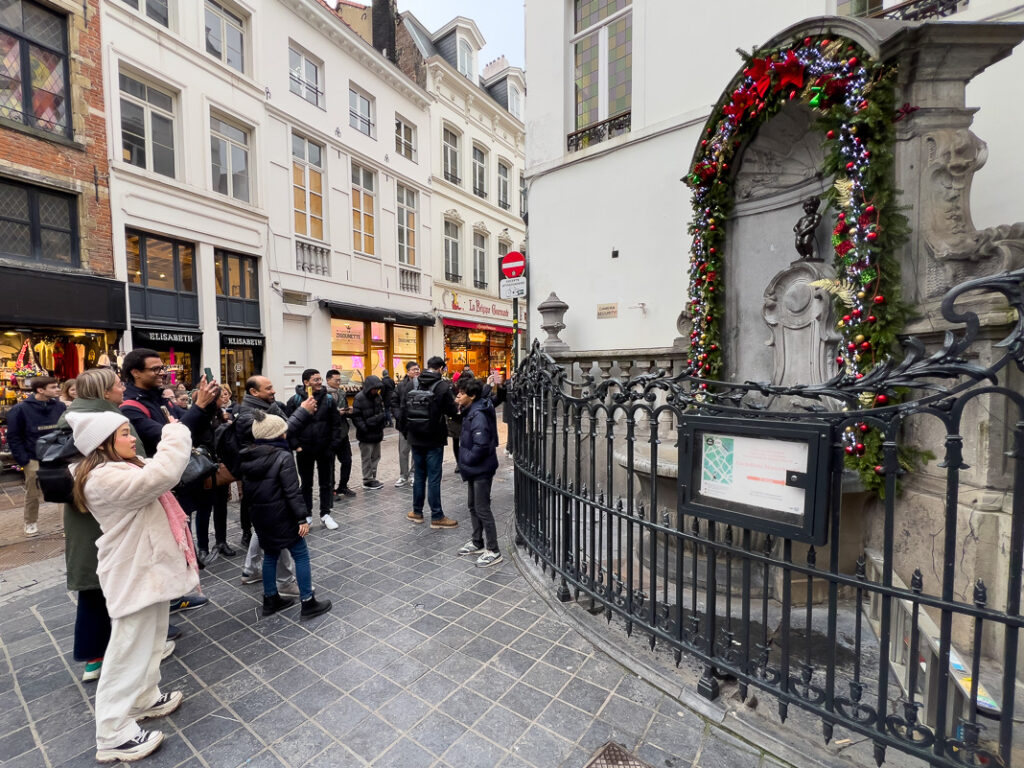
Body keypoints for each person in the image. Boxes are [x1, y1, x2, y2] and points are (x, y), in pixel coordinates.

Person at [68, 411, 197, 763]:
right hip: (133, 571)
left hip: (148, 568)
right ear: (103, 443)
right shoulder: (102, 477)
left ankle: (143, 697)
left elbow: (153, 471)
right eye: (125, 434)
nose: (132, 439)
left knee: (152, 640)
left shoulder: (122, 467)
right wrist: (176, 430)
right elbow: (165, 472)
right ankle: (112, 732)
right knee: (128, 650)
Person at [119, 348, 218, 613]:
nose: (162, 373)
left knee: (174, 538)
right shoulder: (131, 408)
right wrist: (198, 407)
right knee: (159, 545)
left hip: (174, 481)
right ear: (135, 372)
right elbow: (170, 435)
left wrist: (206, 406)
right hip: (156, 484)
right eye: (155, 369)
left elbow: (189, 430)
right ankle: (162, 605)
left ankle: (173, 597)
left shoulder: (160, 400)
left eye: (163, 368)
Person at [239, 412, 331, 620]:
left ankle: (270, 599)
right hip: (283, 516)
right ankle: (308, 601)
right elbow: (292, 491)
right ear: (277, 435)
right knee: (300, 554)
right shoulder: (283, 456)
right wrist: (301, 518)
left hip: (261, 515)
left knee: (271, 554)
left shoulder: (248, 455)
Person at [234, 375, 313, 588]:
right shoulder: (248, 416)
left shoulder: (269, 407)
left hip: (268, 481)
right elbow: (283, 431)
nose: (273, 391)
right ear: (254, 392)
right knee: (282, 537)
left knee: (266, 528)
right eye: (268, 388)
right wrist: (303, 412)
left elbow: (283, 428)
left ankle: (251, 571)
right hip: (269, 480)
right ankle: (287, 584)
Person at [7, 376, 66, 536]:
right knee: (32, 492)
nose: (57, 390)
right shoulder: (20, 410)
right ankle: (30, 521)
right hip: (33, 457)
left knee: (63, 488)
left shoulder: (59, 407)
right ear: (40, 390)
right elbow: (14, 436)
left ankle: (65, 524)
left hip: (56, 456)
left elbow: (65, 430)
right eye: (53, 387)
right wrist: (23, 459)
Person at [405, 356, 458, 528]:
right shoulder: (442, 386)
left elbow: (403, 406)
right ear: (441, 368)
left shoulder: (414, 383)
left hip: (415, 436)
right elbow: (451, 410)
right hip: (434, 437)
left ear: (427, 367)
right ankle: (437, 515)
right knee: (434, 477)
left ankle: (417, 512)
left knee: (419, 475)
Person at [285, 369, 342, 529]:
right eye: (315, 379)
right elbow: (289, 425)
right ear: (306, 382)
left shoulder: (329, 400)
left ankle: (325, 514)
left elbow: (336, 425)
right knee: (306, 484)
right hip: (304, 449)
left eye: (319, 379)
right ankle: (307, 514)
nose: (319, 382)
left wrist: (332, 446)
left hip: (325, 449)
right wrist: (296, 445)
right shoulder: (295, 400)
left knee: (326, 483)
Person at [454, 377, 502, 566]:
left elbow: (481, 445)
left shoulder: (478, 414)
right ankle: (477, 541)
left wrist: (466, 459)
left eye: (462, 393)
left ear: (472, 396)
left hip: (480, 468)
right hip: (474, 468)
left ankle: (493, 549)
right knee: (473, 505)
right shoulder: (470, 410)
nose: (458, 395)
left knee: (482, 508)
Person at [324, 370, 356, 498]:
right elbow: (321, 414)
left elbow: (345, 408)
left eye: (339, 380)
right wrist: (337, 413)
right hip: (328, 435)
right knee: (329, 464)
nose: (338, 382)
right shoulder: (322, 394)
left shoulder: (342, 393)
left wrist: (348, 411)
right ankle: (330, 489)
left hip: (342, 432)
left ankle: (343, 486)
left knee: (347, 461)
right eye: (336, 380)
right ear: (328, 380)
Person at [351, 375, 386, 490]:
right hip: (366, 435)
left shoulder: (377, 397)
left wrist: (381, 424)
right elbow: (356, 417)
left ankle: (373, 478)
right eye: (374, 388)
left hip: (376, 432)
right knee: (367, 458)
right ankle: (367, 479)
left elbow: (382, 412)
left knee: (376, 457)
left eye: (377, 388)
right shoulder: (359, 398)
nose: (376, 390)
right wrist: (365, 428)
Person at [391, 361, 420, 487]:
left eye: (418, 369)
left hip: (418, 423)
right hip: (404, 424)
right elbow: (394, 401)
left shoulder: (423, 384)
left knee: (416, 450)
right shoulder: (401, 386)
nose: (417, 371)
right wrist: (398, 415)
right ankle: (403, 475)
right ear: (408, 372)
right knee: (403, 451)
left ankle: (414, 474)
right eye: (414, 369)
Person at [794, 195, 822, 260]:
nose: (808, 208)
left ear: (816, 206)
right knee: (798, 245)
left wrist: (805, 231)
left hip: (809, 233)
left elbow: (815, 224)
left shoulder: (816, 215)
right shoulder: (802, 219)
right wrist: (797, 230)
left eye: (810, 206)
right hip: (799, 233)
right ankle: (803, 255)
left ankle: (809, 254)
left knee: (806, 243)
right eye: (806, 206)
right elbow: (795, 226)